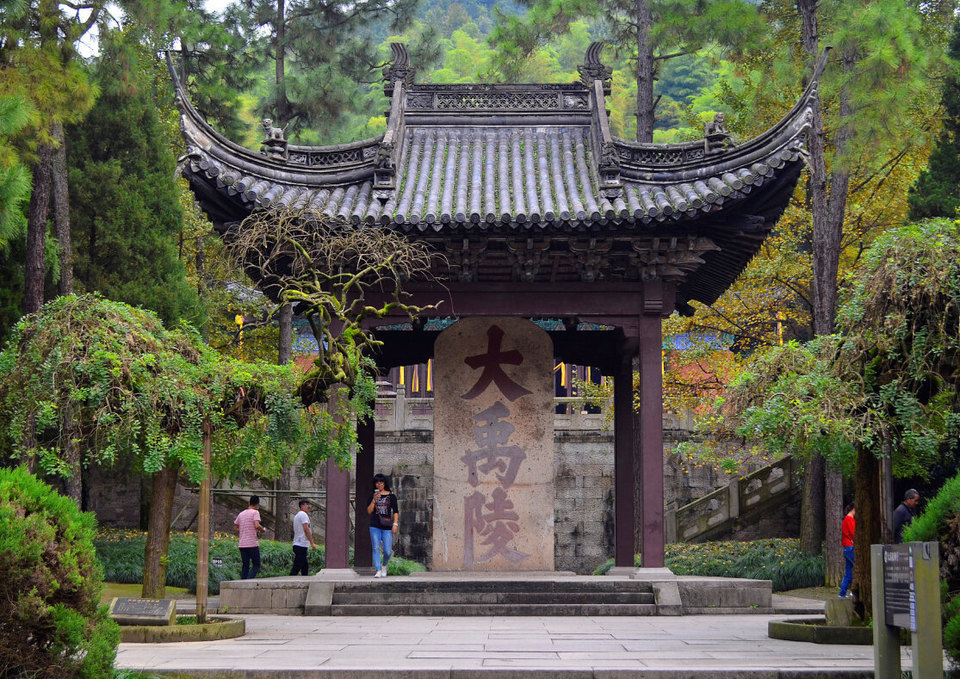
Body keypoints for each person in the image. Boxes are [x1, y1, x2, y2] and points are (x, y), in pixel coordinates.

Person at [366, 474, 399, 578]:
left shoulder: (391, 496)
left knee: (388, 551)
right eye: (377, 482)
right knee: (376, 548)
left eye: (381, 482)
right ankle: (378, 570)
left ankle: (384, 565)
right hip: (374, 525)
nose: (379, 484)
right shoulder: (372, 496)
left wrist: (395, 524)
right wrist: (374, 500)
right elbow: (369, 511)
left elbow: (396, 511)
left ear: (384, 483)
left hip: (387, 526)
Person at [234, 495, 265, 580]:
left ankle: (243, 582)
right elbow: (256, 525)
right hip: (252, 543)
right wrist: (262, 530)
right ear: (257, 504)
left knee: (245, 565)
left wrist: (244, 529)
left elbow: (235, 527)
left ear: (249, 502)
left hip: (242, 544)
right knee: (256, 564)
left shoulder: (241, 513)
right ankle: (249, 580)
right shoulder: (255, 512)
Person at [290, 499, 316, 576]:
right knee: (297, 566)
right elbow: (306, 529)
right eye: (306, 504)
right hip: (301, 544)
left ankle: (305, 578)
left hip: (298, 544)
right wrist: (312, 542)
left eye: (309, 504)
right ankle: (290, 579)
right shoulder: (303, 515)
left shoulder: (298, 515)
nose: (309, 506)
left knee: (304, 565)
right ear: (301, 506)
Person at [839, 502, 855, 598]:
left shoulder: (847, 519)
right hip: (850, 546)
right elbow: (853, 533)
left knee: (849, 572)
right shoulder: (849, 519)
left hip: (846, 547)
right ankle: (854, 591)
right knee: (857, 568)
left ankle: (842, 593)